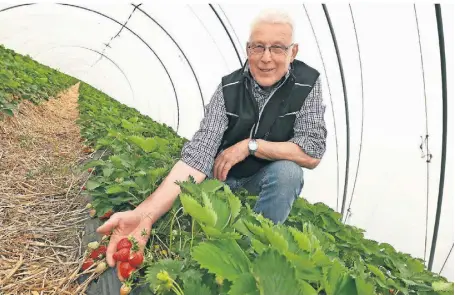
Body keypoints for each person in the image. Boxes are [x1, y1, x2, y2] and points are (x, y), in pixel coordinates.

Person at [97, 8, 327, 280]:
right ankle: (214, 247)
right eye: (258, 47)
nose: (266, 58)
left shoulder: (307, 84)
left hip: (264, 176)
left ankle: (253, 256)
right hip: (222, 177)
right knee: (200, 216)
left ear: (293, 52)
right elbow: (199, 154)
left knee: (289, 172)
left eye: (277, 48)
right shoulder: (228, 88)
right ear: (247, 49)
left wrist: (251, 145)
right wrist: (145, 214)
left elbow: (312, 150)